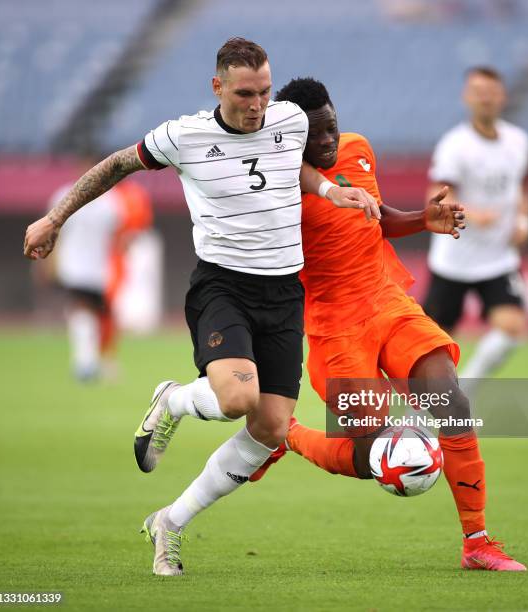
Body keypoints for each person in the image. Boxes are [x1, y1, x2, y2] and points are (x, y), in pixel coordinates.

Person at [23, 38, 379, 576]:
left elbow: (289, 169)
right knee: (238, 397)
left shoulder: (289, 120)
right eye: (244, 94)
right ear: (217, 87)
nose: (257, 105)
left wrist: (331, 192)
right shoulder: (183, 136)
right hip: (224, 287)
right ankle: (174, 401)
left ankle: (169, 522)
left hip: (284, 292)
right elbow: (116, 165)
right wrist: (56, 218)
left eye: (263, 91)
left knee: (273, 428)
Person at [250, 76, 525, 571]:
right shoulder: (280, 184)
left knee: (452, 403)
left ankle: (477, 542)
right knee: (375, 451)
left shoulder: (359, 150)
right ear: (294, 137)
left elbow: (375, 219)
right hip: (335, 327)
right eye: (315, 135)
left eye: (331, 126)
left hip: (386, 300)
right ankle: (286, 435)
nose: (328, 140)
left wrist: (423, 218)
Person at [423, 67, 528, 393]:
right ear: (467, 97)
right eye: (478, 91)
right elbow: (438, 195)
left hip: (498, 257)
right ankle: (416, 415)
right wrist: (471, 214)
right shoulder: (455, 145)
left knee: (512, 328)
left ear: (503, 96)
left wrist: (524, 222)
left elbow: (521, 188)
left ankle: (464, 394)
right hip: (454, 258)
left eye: (492, 91)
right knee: (434, 346)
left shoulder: (519, 141)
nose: (486, 98)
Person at [44, 160, 153, 381]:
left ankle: (93, 360)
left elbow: (53, 231)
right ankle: (86, 362)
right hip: (85, 266)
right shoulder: (109, 201)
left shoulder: (74, 197)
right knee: (83, 310)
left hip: (95, 267)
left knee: (94, 313)